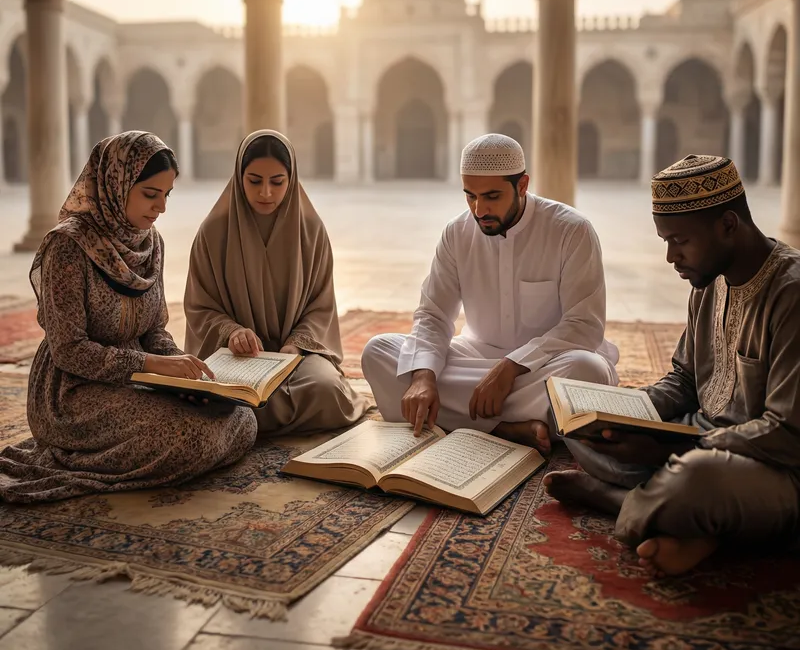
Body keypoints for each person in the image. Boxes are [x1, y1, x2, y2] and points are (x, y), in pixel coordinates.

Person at [545, 154, 800, 575]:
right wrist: (627, 414)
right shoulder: (709, 279)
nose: (670, 257)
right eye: (666, 241)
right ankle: (687, 520)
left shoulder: (790, 293)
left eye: (679, 240)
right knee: (577, 426)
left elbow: (786, 432)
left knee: (696, 478)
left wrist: (672, 448)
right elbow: (684, 379)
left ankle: (618, 500)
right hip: (697, 438)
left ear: (728, 225)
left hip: (773, 466)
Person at [0, 132, 257, 503]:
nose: (161, 207)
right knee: (188, 435)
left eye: (167, 195)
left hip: (139, 378)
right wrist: (150, 364)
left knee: (240, 419)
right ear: (115, 185)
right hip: (72, 392)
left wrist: (180, 369)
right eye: (150, 194)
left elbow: (154, 329)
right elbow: (69, 350)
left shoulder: (151, 243)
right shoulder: (68, 246)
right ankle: (77, 456)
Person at [361, 133, 619, 451]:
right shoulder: (457, 233)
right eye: (470, 196)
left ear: (522, 185)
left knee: (589, 371)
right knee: (378, 352)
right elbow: (433, 314)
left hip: (545, 366)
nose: (479, 209)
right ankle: (506, 429)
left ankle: (469, 422)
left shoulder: (571, 230)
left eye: (492, 196)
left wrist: (511, 367)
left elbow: (584, 325)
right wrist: (424, 376)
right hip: (475, 360)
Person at [184, 130, 371, 436]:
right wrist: (232, 332)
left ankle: (238, 422)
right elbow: (199, 307)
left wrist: (296, 345)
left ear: (291, 179)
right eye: (254, 181)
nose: (266, 193)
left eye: (277, 182)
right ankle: (241, 416)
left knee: (328, 390)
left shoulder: (310, 230)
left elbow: (320, 306)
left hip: (296, 358)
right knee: (220, 393)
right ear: (239, 178)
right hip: (235, 357)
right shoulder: (214, 232)